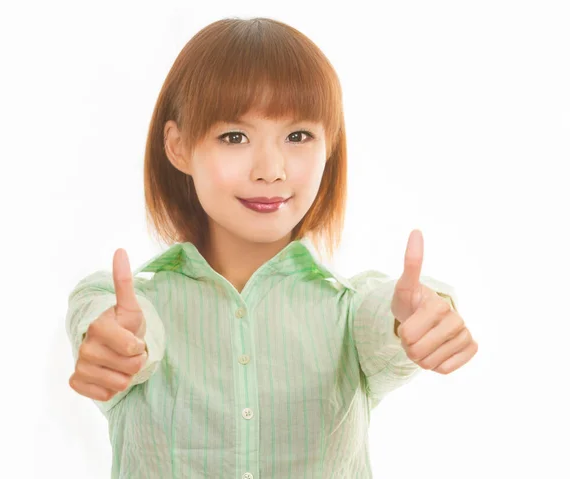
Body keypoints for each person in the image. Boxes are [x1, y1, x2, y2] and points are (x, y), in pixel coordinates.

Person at [65, 16, 478, 479]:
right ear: (178, 146)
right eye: (234, 137)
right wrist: (113, 343)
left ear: (329, 145)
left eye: (298, 136)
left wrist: (420, 316)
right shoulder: (138, 308)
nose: (270, 169)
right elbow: (111, 320)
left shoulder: (347, 310)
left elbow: (384, 318)